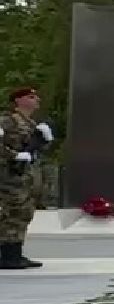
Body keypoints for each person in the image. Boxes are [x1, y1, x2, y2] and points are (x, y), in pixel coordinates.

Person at [0, 86, 51, 269]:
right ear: (18, 101)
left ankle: (15, 253)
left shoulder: (30, 123)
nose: (36, 100)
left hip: (26, 177)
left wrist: (43, 141)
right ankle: (7, 256)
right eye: (31, 97)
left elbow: (34, 151)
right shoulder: (7, 121)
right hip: (10, 176)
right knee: (11, 214)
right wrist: (14, 156)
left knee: (24, 214)